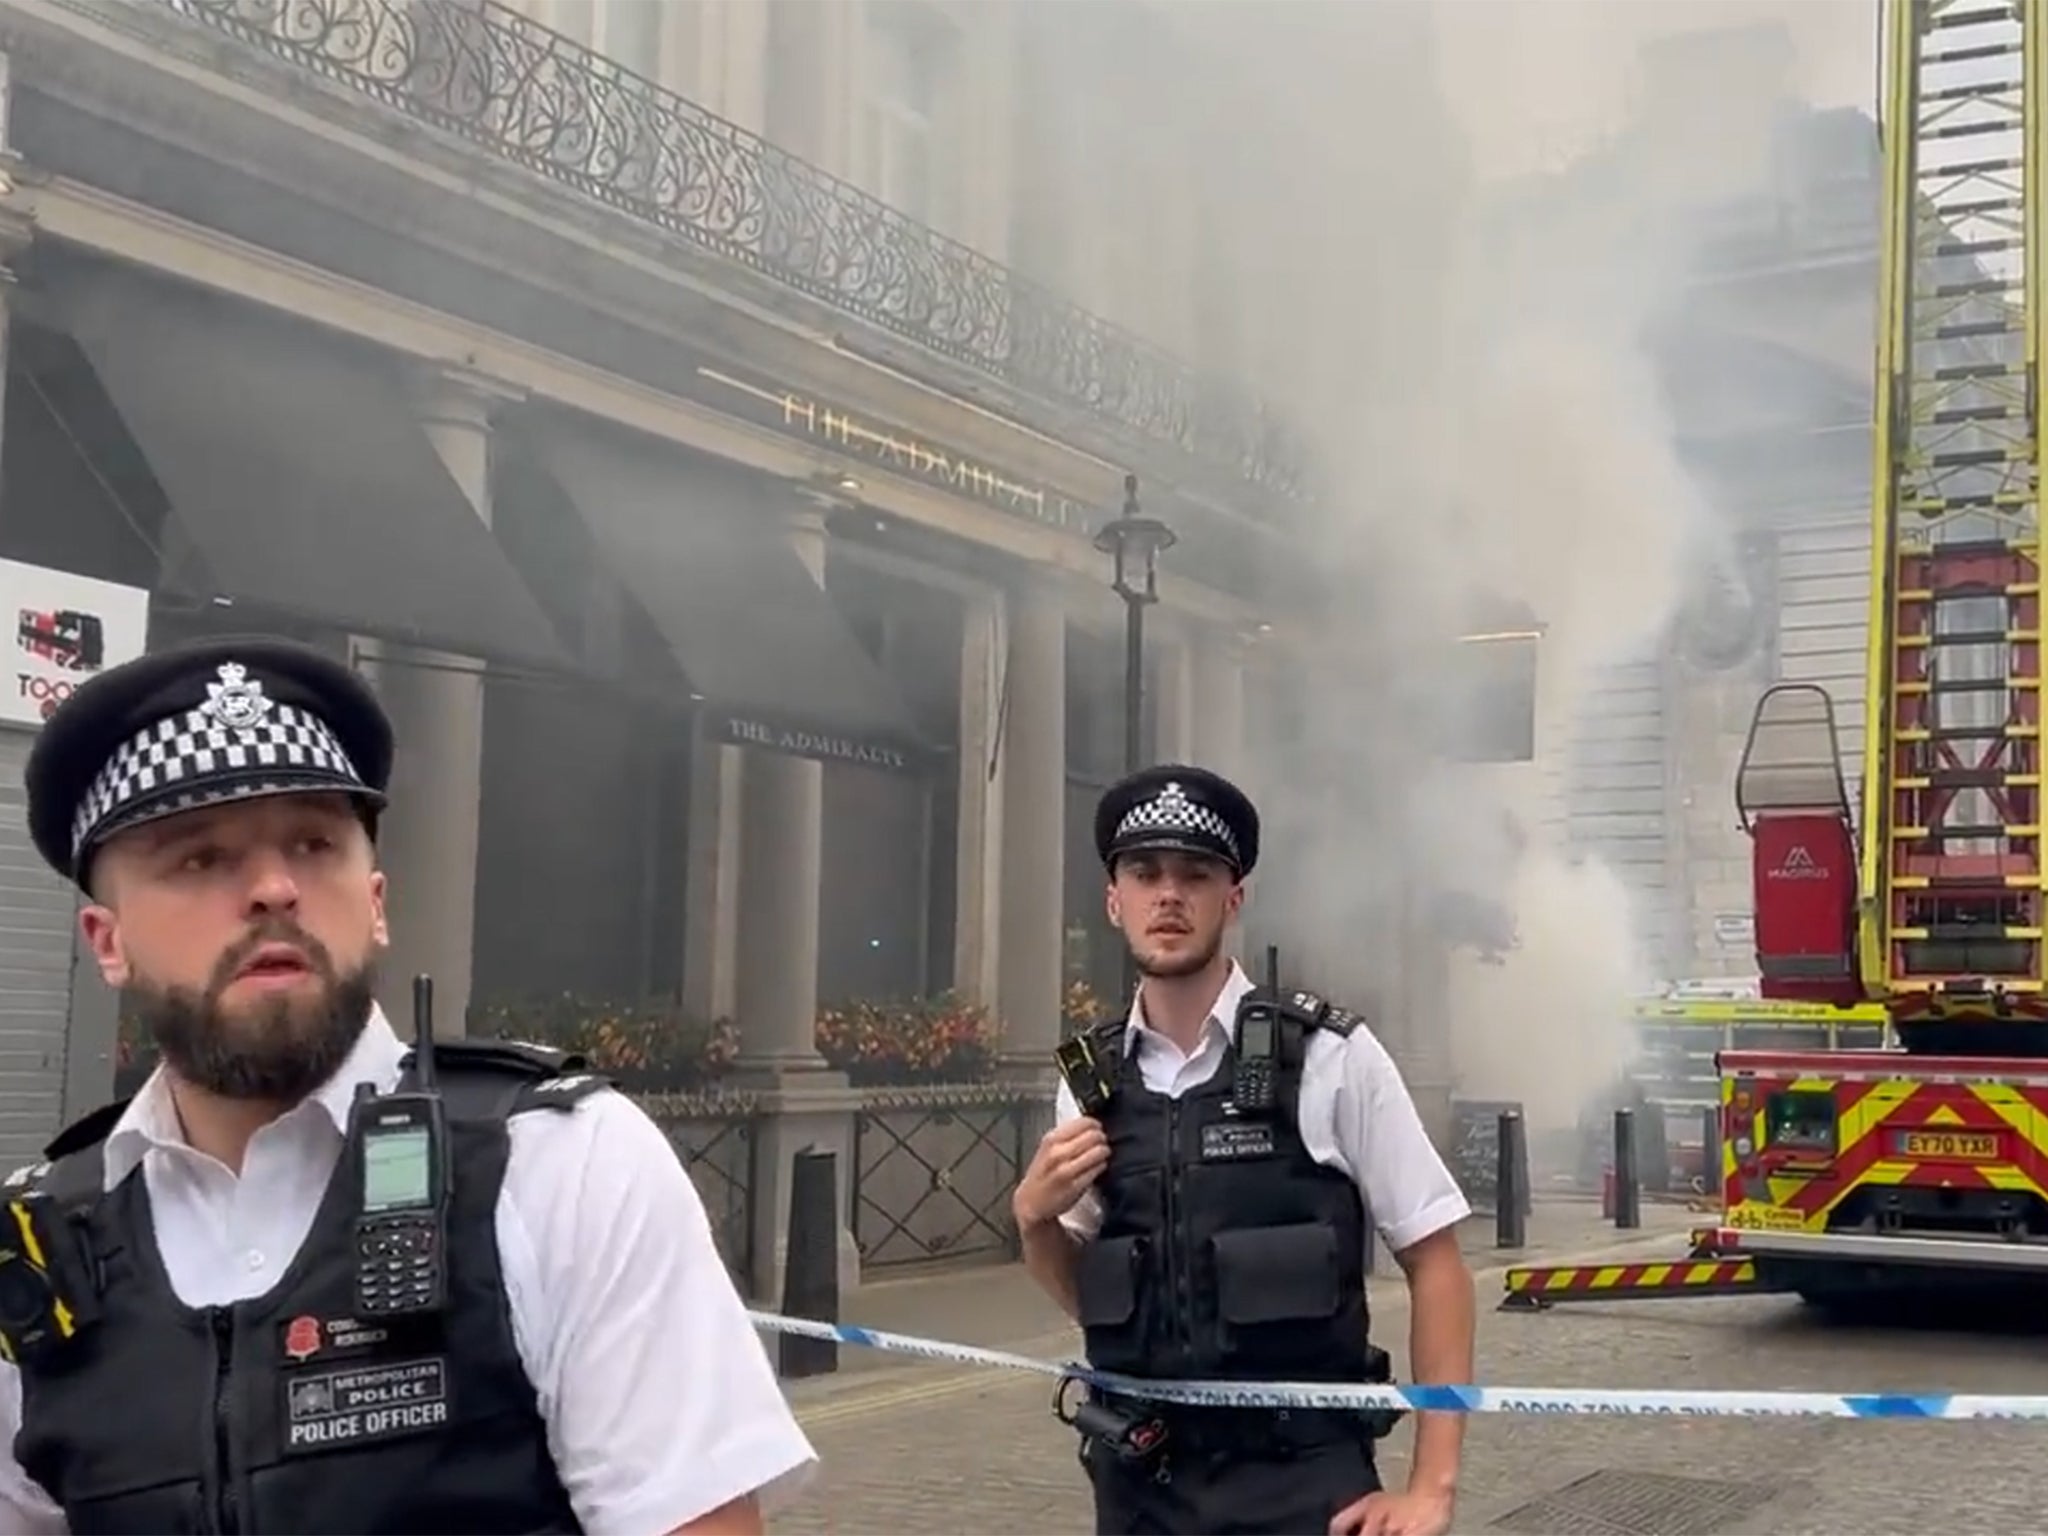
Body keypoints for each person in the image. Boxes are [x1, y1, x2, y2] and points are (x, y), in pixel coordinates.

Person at [0, 637, 816, 1534]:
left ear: (377, 901)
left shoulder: (560, 1163)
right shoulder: (35, 1250)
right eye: (199, 858)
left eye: (314, 844)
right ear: (105, 940)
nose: (275, 888)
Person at [1014, 763, 1477, 1536]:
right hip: (1141, 1493)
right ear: (1112, 899)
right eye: (1144, 872)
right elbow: (1102, 1304)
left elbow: (1437, 1261)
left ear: (1233, 899)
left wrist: (1433, 1488)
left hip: (1303, 1491)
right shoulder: (1091, 1081)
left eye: (1195, 875)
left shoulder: (1331, 1058)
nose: (1168, 894)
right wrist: (1031, 1223)